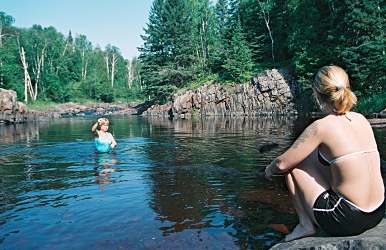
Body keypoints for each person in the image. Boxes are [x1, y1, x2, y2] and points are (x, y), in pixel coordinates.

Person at [265, 65, 385, 241]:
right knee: (313, 158)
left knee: (294, 168)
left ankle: (305, 225)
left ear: (317, 94)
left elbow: (282, 163)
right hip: (378, 211)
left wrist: (269, 169)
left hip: (347, 219)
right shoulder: (361, 120)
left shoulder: (321, 127)